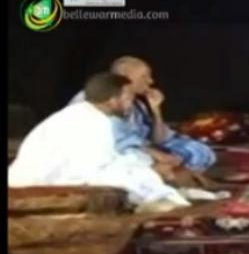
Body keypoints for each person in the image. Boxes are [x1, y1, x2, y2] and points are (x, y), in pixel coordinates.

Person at [10, 72, 190, 209]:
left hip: (52, 174)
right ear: (113, 100)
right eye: (128, 98)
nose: (131, 104)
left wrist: (145, 164)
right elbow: (93, 170)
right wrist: (149, 170)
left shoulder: (88, 114)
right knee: (138, 177)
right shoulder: (92, 122)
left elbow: (104, 158)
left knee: (140, 170)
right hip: (41, 181)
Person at [70, 56, 216, 172]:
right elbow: (115, 142)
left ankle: (168, 171)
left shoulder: (137, 105)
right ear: (125, 77)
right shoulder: (95, 98)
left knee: (197, 150)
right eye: (144, 77)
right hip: (110, 154)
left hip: (142, 150)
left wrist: (156, 110)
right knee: (139, 159)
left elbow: (159, 140)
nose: (150, 81)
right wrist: (157, 155)